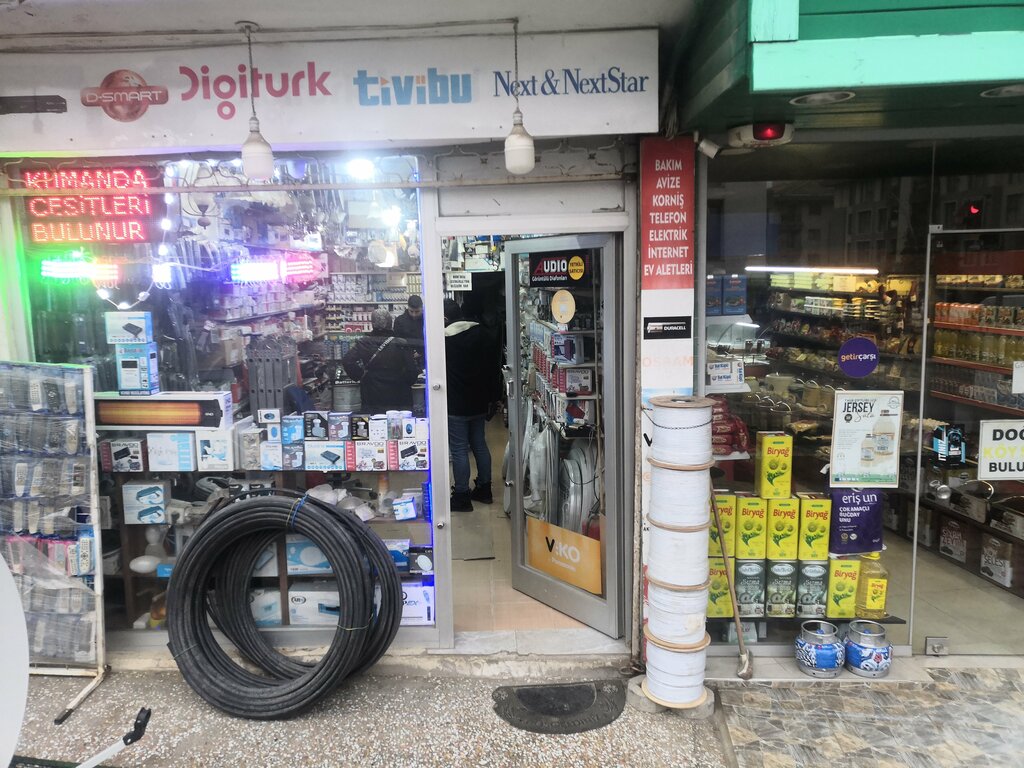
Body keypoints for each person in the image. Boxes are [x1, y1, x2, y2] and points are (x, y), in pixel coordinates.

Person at [444, 298, 502, 511]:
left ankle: (462, 496)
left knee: (459, 449)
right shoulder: (482, 334)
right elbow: (492, 368)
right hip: (479, 400)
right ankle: (485, 489)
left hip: (456, 403)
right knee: (479, 443)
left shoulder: (445, 340)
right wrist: (494, 397)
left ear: (445, 318)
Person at [341, 307, 419, 414]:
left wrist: (360, 375)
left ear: (372, 323)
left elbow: (347, 361)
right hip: (399, 394)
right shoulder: (401, 343)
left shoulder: (364, 342)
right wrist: (406, 381)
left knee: (374, 422)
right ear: (390, 323)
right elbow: (412, 371)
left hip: (372, 394)